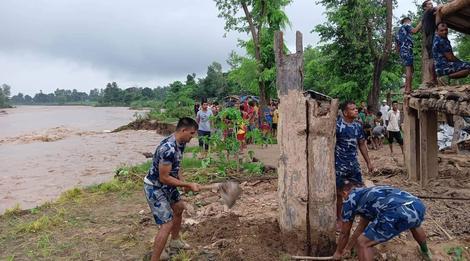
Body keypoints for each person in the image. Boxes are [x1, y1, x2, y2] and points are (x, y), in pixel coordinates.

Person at [143, 117, 201, 261]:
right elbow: (164, 178)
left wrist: (183, 181)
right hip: (155, 187)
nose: (193, 137)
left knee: (179, 207)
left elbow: (178, 165)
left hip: (168, 185)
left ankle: (175, 242)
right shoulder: (168, 148)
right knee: (166, 224)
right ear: (183, 130)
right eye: (192, 133)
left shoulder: (180, 142)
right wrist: (187, 185)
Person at [333, 183, 431, 261]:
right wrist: (348, 248)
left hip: (397, 212)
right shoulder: (368, 194)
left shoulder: (349, 200)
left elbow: (344, 233)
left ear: (345, 193)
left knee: (363, 243)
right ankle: (426, 253)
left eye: (340, 196)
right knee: (414, 224)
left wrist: (338, 252)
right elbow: (361, 228)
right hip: (417, 205)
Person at [335, 101, 374, 230]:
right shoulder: (337, 125)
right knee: (340, 193)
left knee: (359, 190)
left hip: (354, 165)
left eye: (356, 109)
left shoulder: (358, 126)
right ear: (345, 112)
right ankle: (339, 219)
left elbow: (362, 144)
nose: (356, 111)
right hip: (339, 165)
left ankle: (357, 217)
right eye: (352, 109)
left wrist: (368, 162)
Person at [396, 17, 420, 94]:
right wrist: (422, 22)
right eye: (410, 21)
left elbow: (397, 47)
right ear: (407, 21)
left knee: (410, 69)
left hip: (403, 51)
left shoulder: (398, 31)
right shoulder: (406, 25)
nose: (411, 23)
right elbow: (415, 30)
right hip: (407, 49)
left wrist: (400, 55)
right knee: (409, 69)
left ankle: (407, 87)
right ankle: (408, 89)